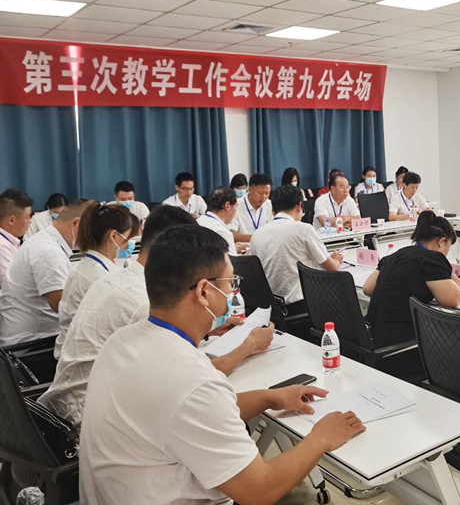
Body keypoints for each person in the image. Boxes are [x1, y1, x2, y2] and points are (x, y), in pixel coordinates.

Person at [78, 224, 363, 504]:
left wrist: (269, 397)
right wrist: (321, 437)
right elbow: (260, 490)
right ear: (204, 292)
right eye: (229, 284)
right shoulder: (192, 381)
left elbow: (192, 410)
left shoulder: (122, 341)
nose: (232, 292)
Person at [39, 206, 273, 432]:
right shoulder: (143, 301)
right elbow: (193, 377)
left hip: (67, 410)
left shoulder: (118, 279)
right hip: (89, 419)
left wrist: (209, 329)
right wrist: (249, 345)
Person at [363, 211, 460, 348]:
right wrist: (451, 277)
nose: (446, 253)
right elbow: (454, 300)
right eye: (448, 248)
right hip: (401, 343)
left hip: (373, 337)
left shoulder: (396, 255)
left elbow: (368, 288)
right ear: (441, 242)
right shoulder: (431, 258)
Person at [54, 201, 140, 359]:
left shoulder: (86, 267)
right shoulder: (100, 278)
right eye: (128, 238)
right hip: (87, 358)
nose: (129, 244)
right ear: (114, 236)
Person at [0, 200, 89, 347]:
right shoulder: (48, 251)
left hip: (36, 334)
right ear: (76, 224)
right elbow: (63, 306)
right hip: (30, 343)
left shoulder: (46, 240)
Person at [251, 185, 343, 306]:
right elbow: (332, 269)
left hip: (272, 307)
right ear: (299, 206)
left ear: (273, 211)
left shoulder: (257, 234)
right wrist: (336, 260)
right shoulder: (303, 229)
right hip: (304, 304)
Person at [197, 187, 244, 256]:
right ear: (227, 206)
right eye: (235, 206)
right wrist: (246, 255)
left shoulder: (198, 221)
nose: (236, 210)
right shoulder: (222, 232)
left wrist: (234, 249)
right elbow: (233, 261)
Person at [0, 189, 33, 287]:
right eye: (27, 217)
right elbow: (15, 285)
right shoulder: (2, 246)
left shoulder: (9, 241)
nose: (30, 221)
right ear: (12, 220)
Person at [230, 173, 273, 243]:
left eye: (267, 193)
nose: (264, 197)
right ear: (250, 189)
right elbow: (232, 234)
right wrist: (255, 238)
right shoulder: (236, 206)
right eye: (260, 193)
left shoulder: (269, 204)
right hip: (243, 247)